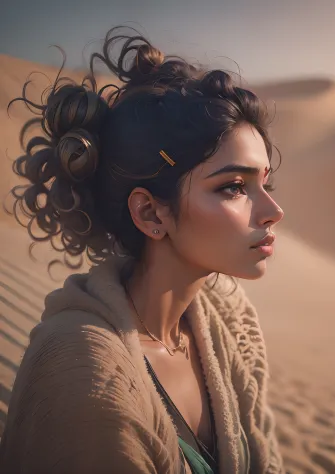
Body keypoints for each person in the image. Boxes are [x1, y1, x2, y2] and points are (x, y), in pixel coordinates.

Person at [0, 26, 285, 474]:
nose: (273, 211)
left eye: (265, 182)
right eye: (233, 187)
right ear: (151, 214)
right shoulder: (85, 378)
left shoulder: (228, 320)